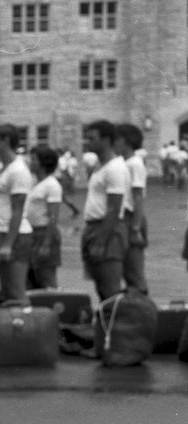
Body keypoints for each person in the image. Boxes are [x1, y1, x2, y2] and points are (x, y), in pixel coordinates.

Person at [80, 119, 128, 302]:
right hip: (94, 227)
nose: (88, 141)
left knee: (110, 288)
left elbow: (114, 209)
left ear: (106, 140)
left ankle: (116, 327)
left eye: (92, 138)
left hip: (107, 230)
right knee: (100, 286)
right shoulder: (100, 167)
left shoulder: (115, 168)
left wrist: (101, 242)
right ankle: (106, 324)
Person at [0, 123, 34, 302]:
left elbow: (18, 209)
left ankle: (27, 325)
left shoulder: (18, 170)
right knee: (6, 291)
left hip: (15, 236)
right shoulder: (3, 167)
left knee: (16, 292)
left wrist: (8, 244)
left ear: (6, 141)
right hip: (1, 232)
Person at [24, 144, 64, 289]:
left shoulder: (52, 185)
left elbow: (53, 217)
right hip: (32, 233)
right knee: (31, 277)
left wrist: (46, 244)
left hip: (44, 233)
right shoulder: (35, 183)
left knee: (46, 278)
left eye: (34, 159)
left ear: (43, 163)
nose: (30, 162)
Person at [116, 123, 148, 294]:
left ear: (126, 141)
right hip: (125, 218)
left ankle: (140, 303)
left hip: (132, 218)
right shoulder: (124, 163)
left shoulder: (135, 164)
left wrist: (135, 227)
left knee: (134, 269)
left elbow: (138, 196)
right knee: (127, 268)